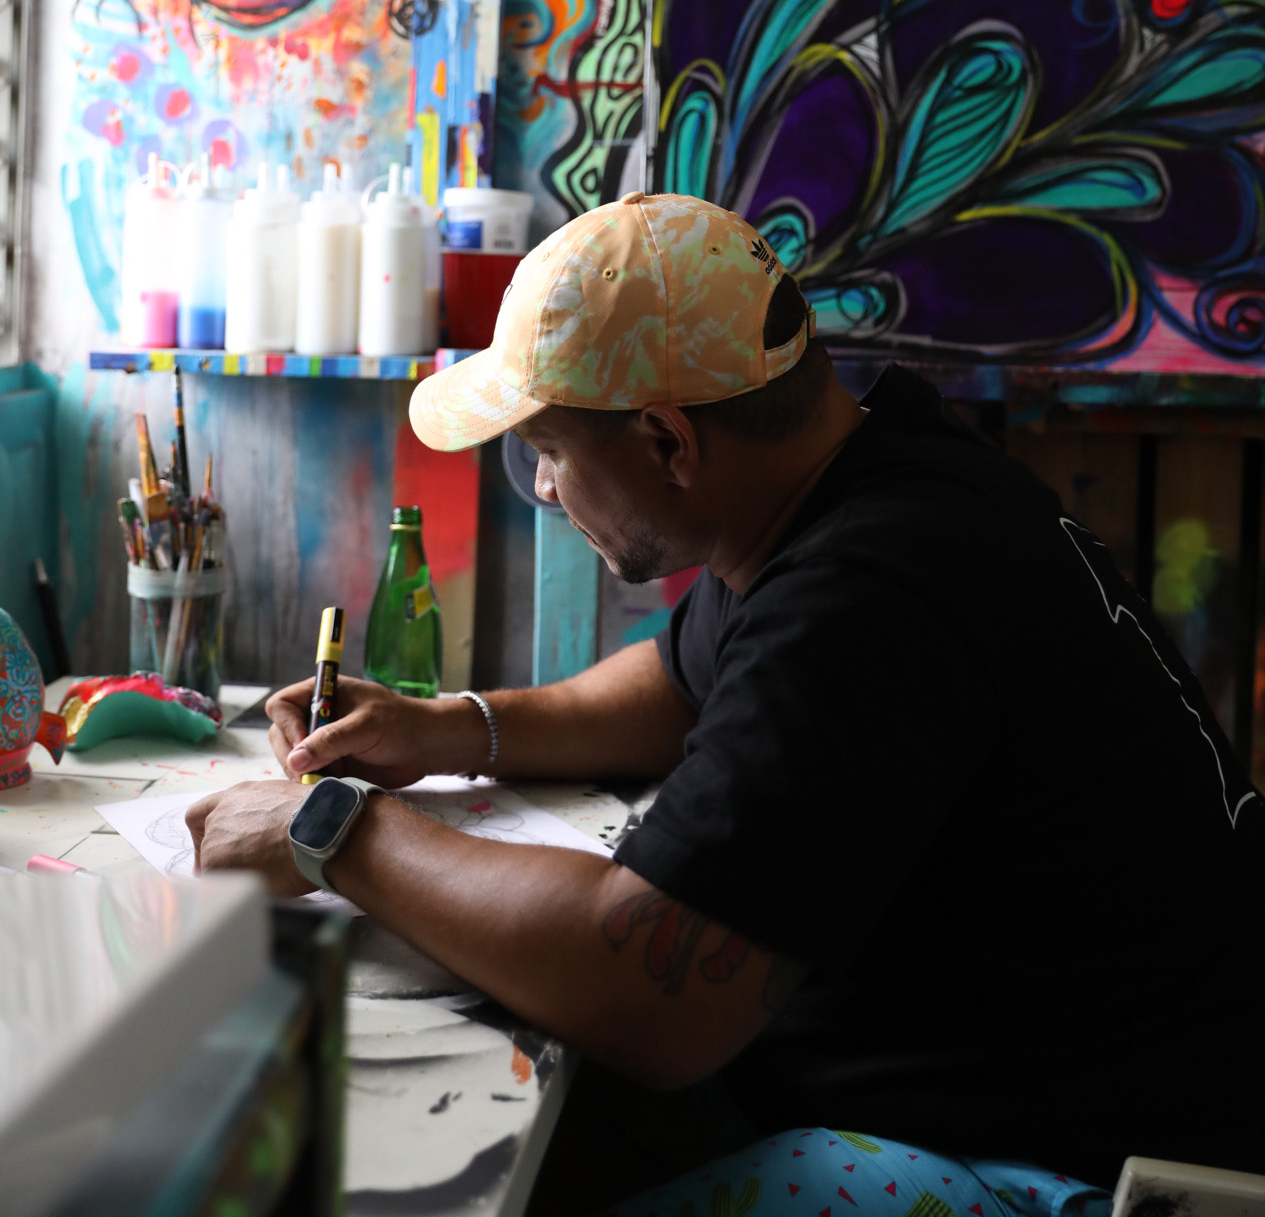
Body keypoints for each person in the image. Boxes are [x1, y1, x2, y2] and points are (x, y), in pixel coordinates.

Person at [187, 191, 1265, 1212]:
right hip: (973, 1089)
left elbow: (652, 994)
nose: (547, 488)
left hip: (1056, 1177)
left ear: (668, 442)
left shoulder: (871, 592)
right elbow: (678, 684)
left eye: (548, 451)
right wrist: (449, 728)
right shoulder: (870, 475)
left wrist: (333, 829)